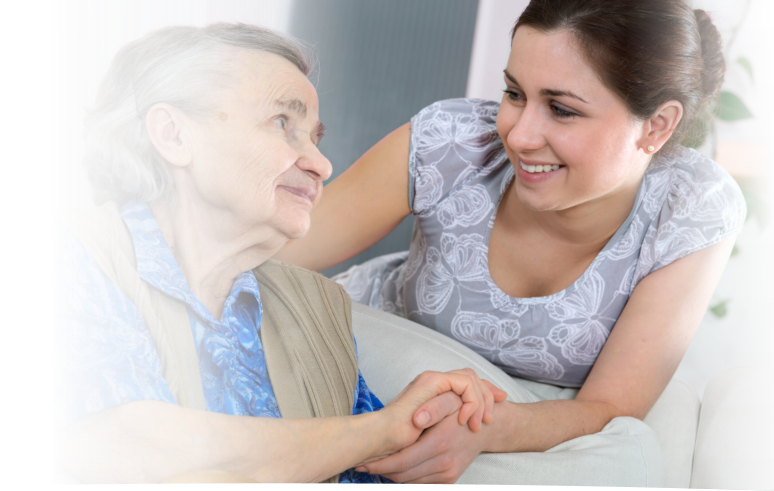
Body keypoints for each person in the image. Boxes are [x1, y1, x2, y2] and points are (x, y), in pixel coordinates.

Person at [275, 0, 746, 484]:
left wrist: (482, 429)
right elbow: (271, 251)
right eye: (514, 93)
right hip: (386, 361)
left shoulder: (692, 206)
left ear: (657, 125)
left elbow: (608, 407)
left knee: (635, 451)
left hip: (535, 413)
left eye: (562, 110)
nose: (518, 136)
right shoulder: (452, 140)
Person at [53, 23, 507, 485]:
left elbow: (363, 464)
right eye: (282, 124)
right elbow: (129, 444)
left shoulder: (317, 303)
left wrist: (424, 422)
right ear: (172, 135)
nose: (321, 164)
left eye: (315, 137)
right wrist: (384, 428)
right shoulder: (73, 252)